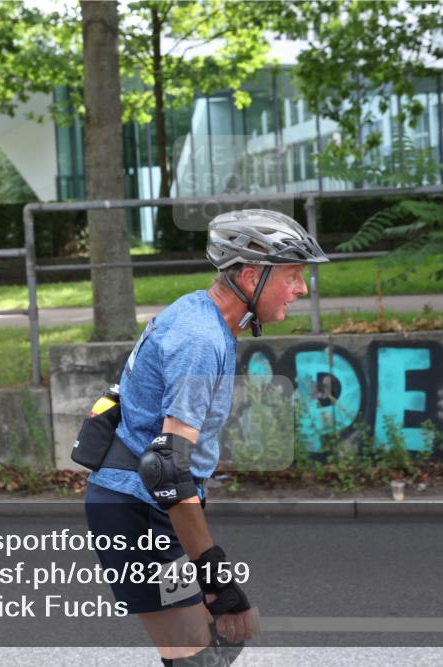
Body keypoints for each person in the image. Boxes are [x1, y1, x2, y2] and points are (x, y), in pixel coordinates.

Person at [84, 209, 329, 665]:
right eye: (293, 276)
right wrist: (215, 572)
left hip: (149, 507)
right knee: (200, 658)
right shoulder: (201, 338)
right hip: (138, 514)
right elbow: (167, 469)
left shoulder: (202, 315)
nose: (301, 289)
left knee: (223, 638)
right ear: (252, 276)